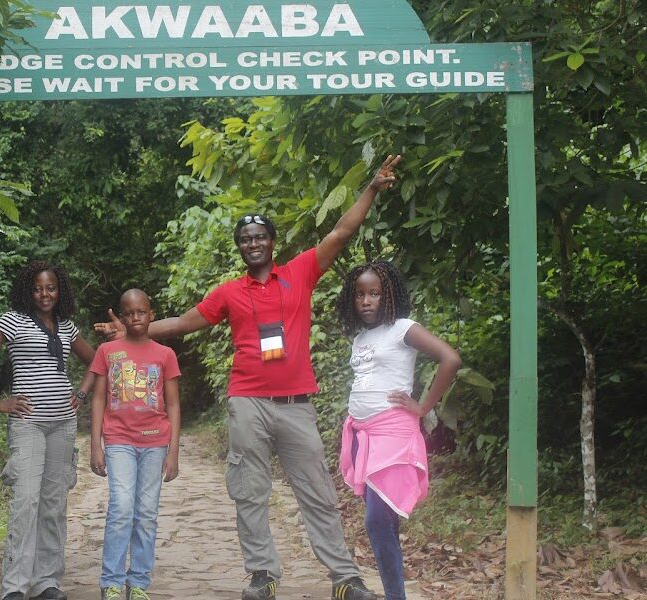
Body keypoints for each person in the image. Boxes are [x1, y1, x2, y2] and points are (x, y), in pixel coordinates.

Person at [98, 155, 403, 600]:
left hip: (295, 405)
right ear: (240, 247)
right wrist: (133, 330)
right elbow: (184, 322)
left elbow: (341, 232)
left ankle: (345, 579)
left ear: (272, 242)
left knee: (317, 490)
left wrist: (372, 188)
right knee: (250, 493)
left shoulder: (299, 273)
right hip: (248, 403)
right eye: (246, 239)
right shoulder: (229, 292)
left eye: (260, 237)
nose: (253, 244)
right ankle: (262, 575)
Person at [0, 260, 96, 600]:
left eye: (50, 287)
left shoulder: (67, 327)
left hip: (63, 425)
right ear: (28, 290)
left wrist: (80, 392)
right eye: (38, 288)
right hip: (29, 425)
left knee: (53, 505)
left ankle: (47, 582)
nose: (44, 294)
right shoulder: (13, 321)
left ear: (59, 289)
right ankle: (15, 587)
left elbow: (97, 362)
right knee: (26, 502)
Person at [335, 260, 461, 600]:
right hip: (363, 436)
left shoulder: (403, 328)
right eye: (359, 294)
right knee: (383, 520)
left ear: (388, 294)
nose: (366, 301)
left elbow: (450, 358)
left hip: (393, 434)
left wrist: (423, 407)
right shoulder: (360, 338)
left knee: (377, 520)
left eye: (374, 293)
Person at [88, 289, 181, 600]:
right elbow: (99, 397)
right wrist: (95, 445)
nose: (135, 317)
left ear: (151, 314)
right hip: (118, 441)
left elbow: (173, 404)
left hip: (155, 443)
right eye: (128, 313)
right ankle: (112, 582)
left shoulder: (165, 355)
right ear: (122, 317)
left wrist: (174, 452)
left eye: (141, 312)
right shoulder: (108, 351)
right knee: (121, 508)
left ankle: (139, 582)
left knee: (146, 512)